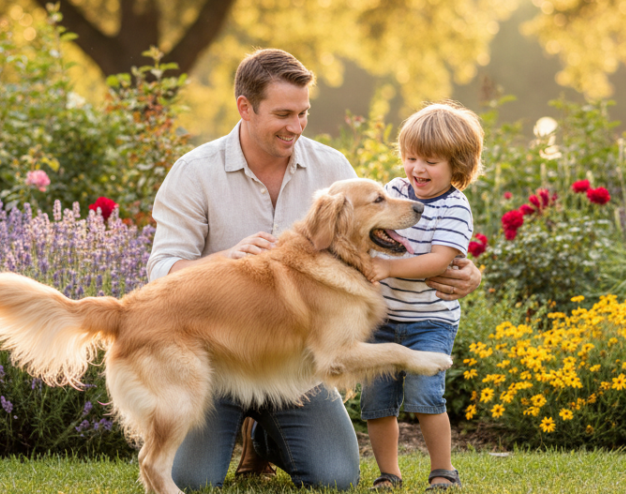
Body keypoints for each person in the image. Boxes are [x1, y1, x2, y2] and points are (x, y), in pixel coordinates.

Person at [146, 49, 482, 491]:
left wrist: (462, 268)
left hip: (298, 370)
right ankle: (237, 426)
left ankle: (262, 440)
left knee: (336, 477)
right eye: (283, 114)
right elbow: (161, 272)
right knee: (190, 480)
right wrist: (222, 259)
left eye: (303, 113)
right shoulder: (194, 173)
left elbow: (376, 232)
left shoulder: (332, 169)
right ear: (245, 108)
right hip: (218, 363)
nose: (296, 126)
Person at [360, 102, 484, 491]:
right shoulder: (394, 191)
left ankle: (442, 470)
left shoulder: (454, 208)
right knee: (377, 402)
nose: (417, 169)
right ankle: (388, 473)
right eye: (411, 157)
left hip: (429, 321)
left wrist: (389, 267)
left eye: (430, 161)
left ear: (457, 165)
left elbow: (438, 260)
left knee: (426, 395)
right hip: (383, 318)